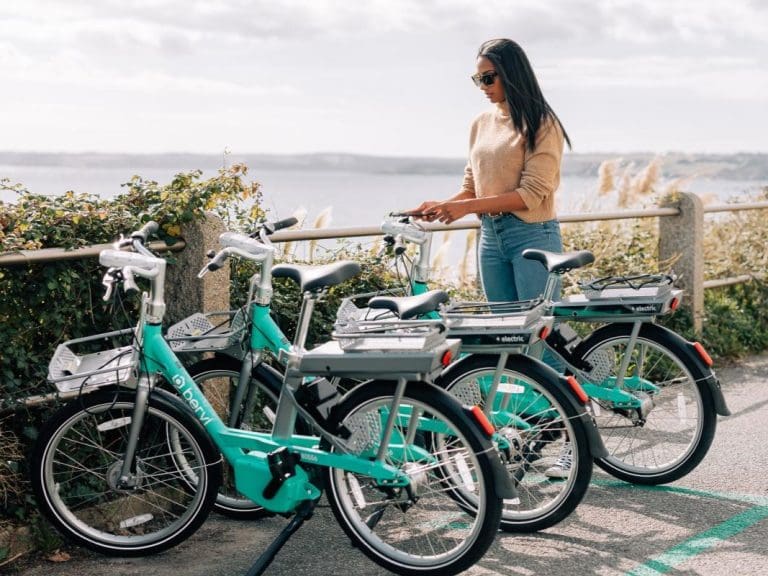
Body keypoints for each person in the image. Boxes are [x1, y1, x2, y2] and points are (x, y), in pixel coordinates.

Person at [406, 38, 572, 478]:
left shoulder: (541, 123)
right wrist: (443, 204)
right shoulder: (481, 122)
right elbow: (471, 187)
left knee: (542, 341)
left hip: (532, 234)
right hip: (492, 238)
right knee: (504, 343)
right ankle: (528, 438)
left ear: (511, 74)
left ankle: (576, 437)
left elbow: (531, 193)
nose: (481, 85)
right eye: (477, 77)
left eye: (488, 76)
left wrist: (465, 208)